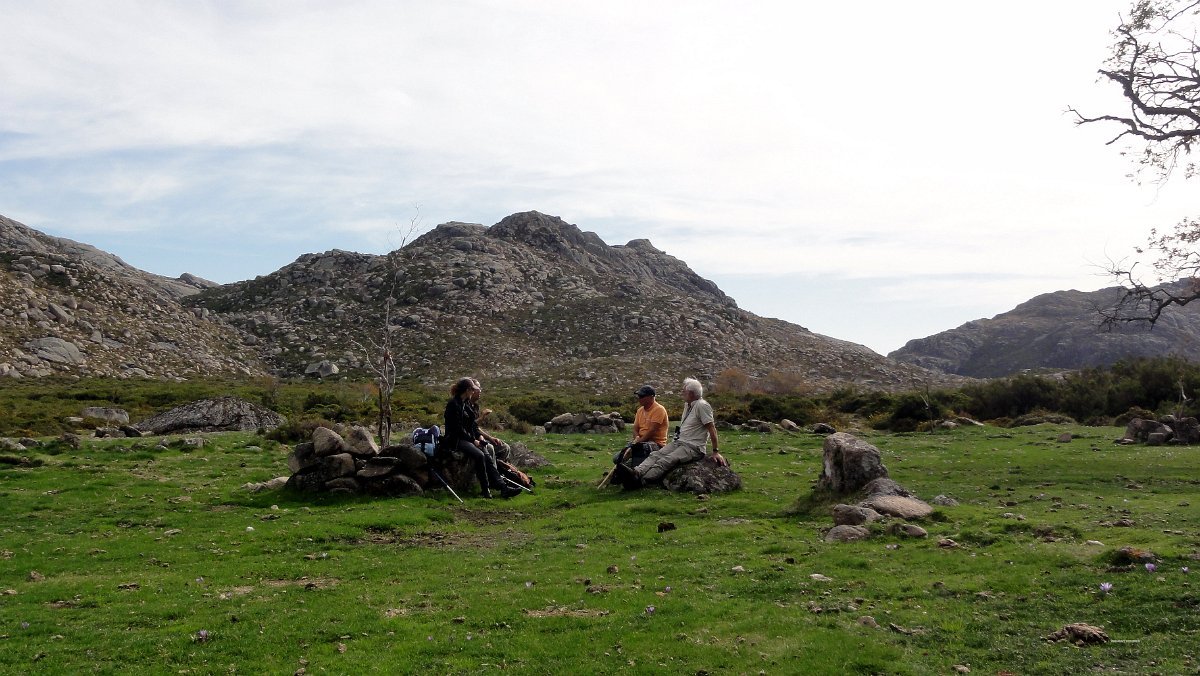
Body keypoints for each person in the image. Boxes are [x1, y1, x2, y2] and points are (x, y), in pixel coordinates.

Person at [616, 377, 727, 489]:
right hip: (679, 442)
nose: (682, 393)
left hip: (693, 446)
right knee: (655, 455)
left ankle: (642, 480)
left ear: (691, 393)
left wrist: (715, 451)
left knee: (666, 460)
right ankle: (636, 472)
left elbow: (711, 428)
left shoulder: (702, 406)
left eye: (684, 391)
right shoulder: (688, 405)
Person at [443, 377, 519, 498]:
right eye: (472, 389)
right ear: (467, 390)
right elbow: (457, 429)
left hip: (466, 438)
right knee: (479, 455)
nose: (474, 392)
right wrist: (473, 440)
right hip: (455, 440)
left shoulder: (465, 404)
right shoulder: (453, 404)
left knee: (485, 451)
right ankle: (486, 490)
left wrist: (479, 437)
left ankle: (501, 487)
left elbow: (472, 425)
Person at [613, 385, 669, 468]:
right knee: (617, 458)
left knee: (640, 449)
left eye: (642, 396)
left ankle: (636, 471)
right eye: (639, 396)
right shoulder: (640, 410)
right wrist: (637, 438)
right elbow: (635, 428)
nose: (639, 398)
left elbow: (652, 431)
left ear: (651, 397)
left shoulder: (659, 409)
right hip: (640, 441)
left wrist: (639, 442)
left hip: (656, 443)